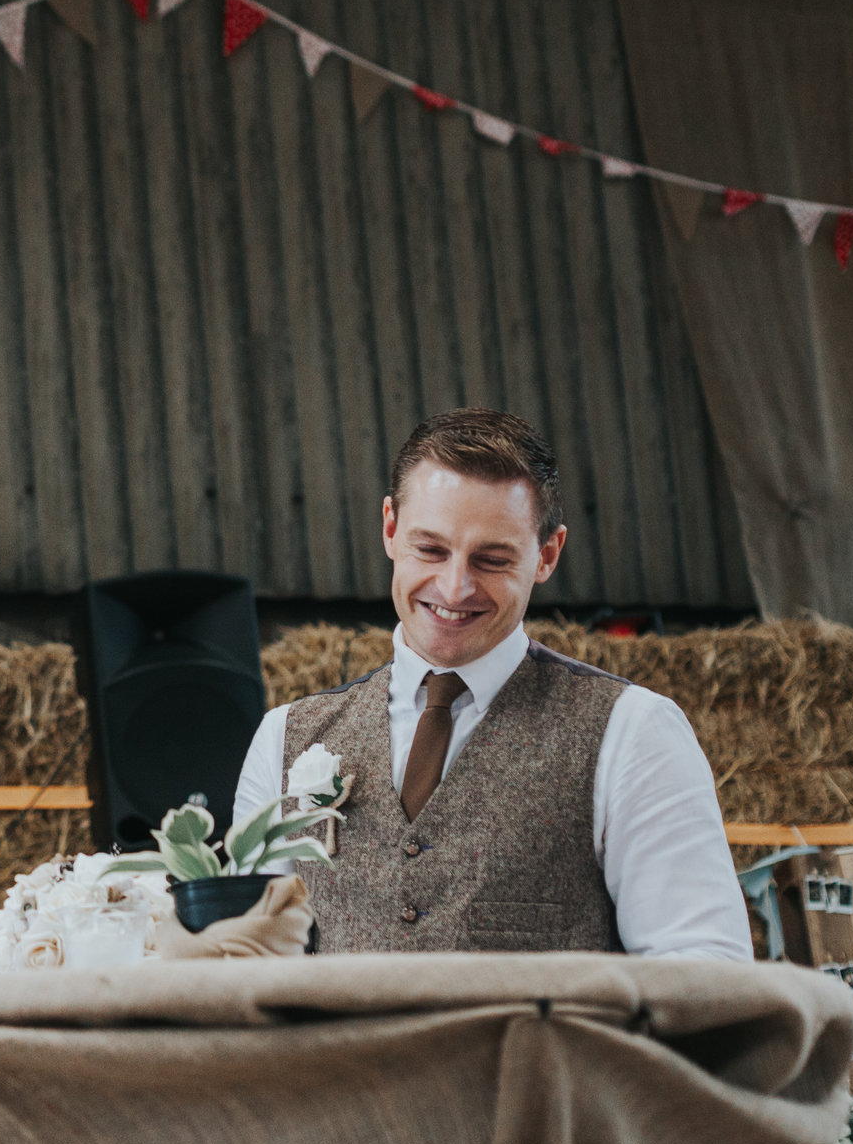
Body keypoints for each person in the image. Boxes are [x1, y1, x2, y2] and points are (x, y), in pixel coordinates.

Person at [232, 408, 751, 959]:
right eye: (430, 549)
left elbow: (704, 973)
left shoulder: (633, 732)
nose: (455, 588)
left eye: (492, 559)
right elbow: (248, 966)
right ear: (389, 528)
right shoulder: (284, 737)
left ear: (546, 555)